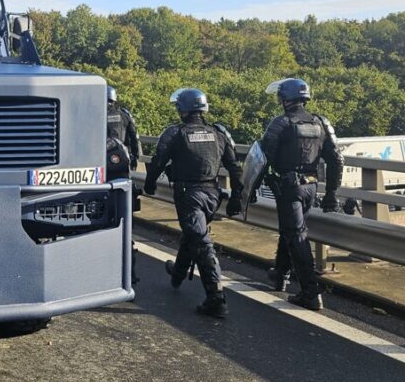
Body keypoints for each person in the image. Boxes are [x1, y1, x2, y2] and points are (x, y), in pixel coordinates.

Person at [143, 88, 244, 318]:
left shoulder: (175, 133)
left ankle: (216, 298)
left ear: (183, 109)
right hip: (213, 195)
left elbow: (158, 161)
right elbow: (235, 166)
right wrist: (237, 194)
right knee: (193, 235)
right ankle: (177, 274)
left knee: (201, 242)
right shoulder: (219, 133)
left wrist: (150, 184)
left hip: (189, 195)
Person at [261, 78, 343, 310]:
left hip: (289, 187)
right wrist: (331, 195)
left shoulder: (281, 123)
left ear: (285, 99)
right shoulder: (321, 123)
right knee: (291, 228)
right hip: (311, 187)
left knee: (296, 234)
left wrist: (253, 186)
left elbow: (264, 156)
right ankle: (280, 274)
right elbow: (336, 159)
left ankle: (310, 291)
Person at [106, 85, 142, 284]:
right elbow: (135, 142)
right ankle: (131, 274)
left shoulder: (93, 113)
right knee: (126, 224)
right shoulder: (125, 116)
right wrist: (133, 162)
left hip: (102, 175)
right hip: (124, 174)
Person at [106, 86, 142, 171]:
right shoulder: (124, 115)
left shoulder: (96, 115)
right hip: (121, 156)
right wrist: (135, 156)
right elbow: (134, 137)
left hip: (102, 157)